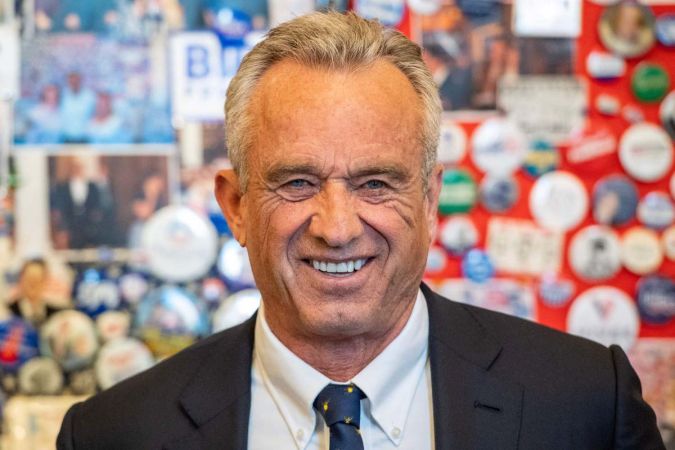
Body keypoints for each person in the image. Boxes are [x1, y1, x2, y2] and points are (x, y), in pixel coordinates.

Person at [57, 11, 664, 449]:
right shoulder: (114, 434)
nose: (338, 228)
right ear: (236, 206)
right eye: (297, 183)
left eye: (375, 183)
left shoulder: (587, 405)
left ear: (430, 200)